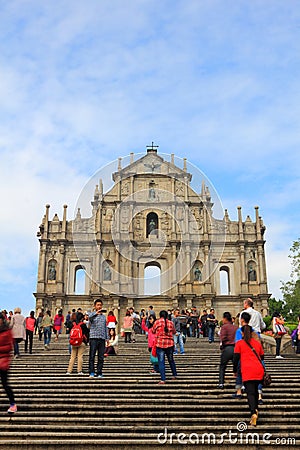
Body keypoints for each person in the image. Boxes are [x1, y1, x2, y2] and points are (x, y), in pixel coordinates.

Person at [233, 325, 265, 427]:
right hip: (258, 369)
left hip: (247, 370)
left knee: (250, 393)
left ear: (242, 333)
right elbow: (262, 356)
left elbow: (235, 359)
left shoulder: (239, 344)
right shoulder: (257, 343)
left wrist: (235, 371)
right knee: (255, 391)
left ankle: (253, 413)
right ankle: (255, 409)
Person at [152, 310, 177, 384]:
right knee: (171, 360)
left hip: (160, 344)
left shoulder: (157, 322)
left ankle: (163, 379)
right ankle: (174, 375)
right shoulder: (170, 323)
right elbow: (174, 332)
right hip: (170, 343)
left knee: (161, 361)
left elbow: (153, 330)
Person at [0, 313, 17, 413]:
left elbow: (9, 347)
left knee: (5, 384)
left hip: (3, 362)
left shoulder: (7, 332)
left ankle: (13, 404)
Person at [88, 299, 109, 378]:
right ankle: (91, 372)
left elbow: (105, 327)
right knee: (92, 356)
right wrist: (95, 313)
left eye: (100, 305)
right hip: (93, 337)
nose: (99, 306)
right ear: (95, 306)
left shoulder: (103, 317)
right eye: (98, 305)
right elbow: (89, 319)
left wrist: (107, 338)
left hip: (102, 338)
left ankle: (99, 372)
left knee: (101, 357)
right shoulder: (92, 315)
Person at [218, 312, 238, 389]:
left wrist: (222, 346)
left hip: (227, 348)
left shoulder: (224, 327)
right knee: (237, 367)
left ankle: (221, 383)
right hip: (236, 349)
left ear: (225, 318)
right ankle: (241, 384)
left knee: (222, 366)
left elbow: (222, 338)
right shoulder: (236, 328)